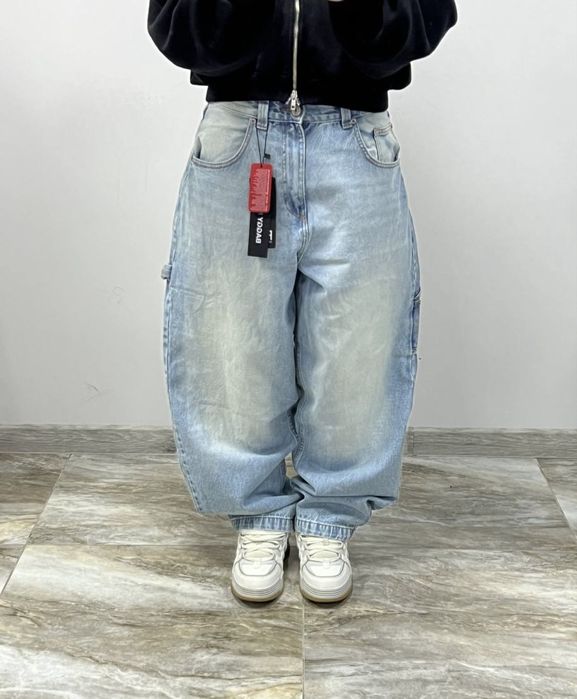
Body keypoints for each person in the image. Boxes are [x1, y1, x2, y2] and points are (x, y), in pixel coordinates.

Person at [147, 0, 458, 604]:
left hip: (355, 136)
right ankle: (257, 515)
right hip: (239, 136)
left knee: (359, 336)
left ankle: (329, 519)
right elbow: (178, 31)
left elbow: (424, 21)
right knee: (232, 333)